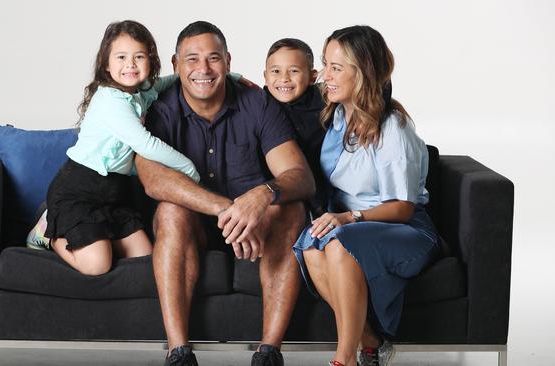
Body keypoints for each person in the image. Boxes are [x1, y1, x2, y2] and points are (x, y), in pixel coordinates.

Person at [135, 21, 315, 366]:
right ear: (175, 65)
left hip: (255, 231)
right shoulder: (161, 108)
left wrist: (262, 193)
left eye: (213, 58)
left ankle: (268, 353)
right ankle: (179, 353)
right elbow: (152, 179)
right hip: (195, 228)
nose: (203, 69)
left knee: (291, 210)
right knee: (170, 211)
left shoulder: (258, 103)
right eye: (192, 59)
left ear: (228, 62)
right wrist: (226, 208)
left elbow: (300, 176)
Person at [292, 26, 439, 366]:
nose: (325, 76)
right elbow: (285, 85)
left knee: (339, 240)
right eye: (325, 64)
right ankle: (370, 342)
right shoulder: (338, 112)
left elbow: (402, 207)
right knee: (311, 245)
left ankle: (345, 359)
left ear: (364, 74)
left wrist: (349, 217)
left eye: (335, 68)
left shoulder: (393, 128)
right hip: (353, 226)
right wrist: (236, 81)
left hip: (405, 228)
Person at [36, 20, 203, 276]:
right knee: (97, 264)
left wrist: (230, 77)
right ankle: (46, 234)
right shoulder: (110, 100)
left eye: (139, 56)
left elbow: (170, 81)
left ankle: (96, 237)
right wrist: (190, 170)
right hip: (78, 189)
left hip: (114, 194)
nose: (130, 65)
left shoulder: (140, 91)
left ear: (151, 60)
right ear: (106, 63)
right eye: (121, 57)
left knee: (144, 258)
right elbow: (146, 144)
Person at [263, 38, 328, 219]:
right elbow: (227, 88)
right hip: (283, 187)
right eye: (275, 71)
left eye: (294, 71)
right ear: (265, 77)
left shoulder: (325, 98)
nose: (284, 78)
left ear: (312, 77)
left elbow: (373, 86)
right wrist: (236, 77)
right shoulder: (261, 102)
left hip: (325, 188)